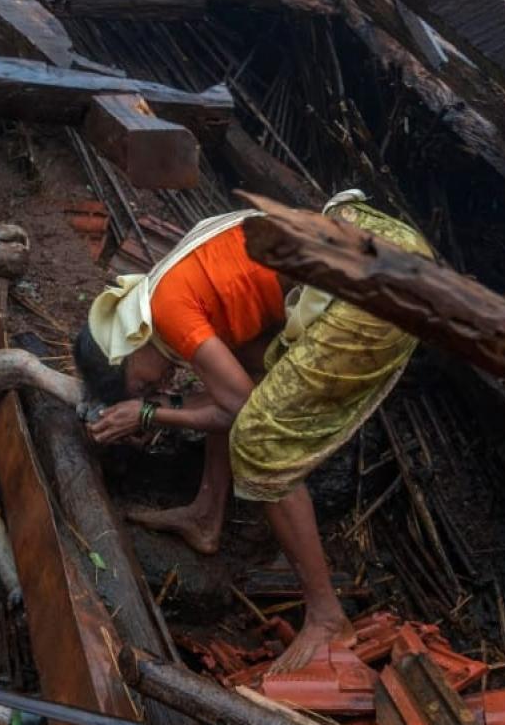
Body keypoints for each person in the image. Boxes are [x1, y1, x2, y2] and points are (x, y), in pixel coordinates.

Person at [74, 191, 435, 671]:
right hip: (384, 243)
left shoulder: (167, 312)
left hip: (375, 281)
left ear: (128, 346)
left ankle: (328, 618)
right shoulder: (173, 293)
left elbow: (240, 412)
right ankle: (207, 516)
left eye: (141, 381)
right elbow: (236, 388)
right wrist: (161, 406)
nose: (157, 385)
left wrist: (148, 414)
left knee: (260, 440)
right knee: (247, 380)